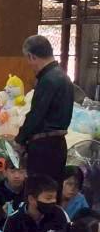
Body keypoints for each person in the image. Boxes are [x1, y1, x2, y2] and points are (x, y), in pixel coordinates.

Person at [16, 35, 73, 185]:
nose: (29, 65)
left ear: (31, 56)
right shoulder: (64, 77)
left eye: (28, 60)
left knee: (39, 190)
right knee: (52, 191)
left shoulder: (48, 79)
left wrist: (20, 139)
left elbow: (36, 115)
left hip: (44, 147)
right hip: (58, 146)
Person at [4, 175, 69, 232]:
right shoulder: (13, 221)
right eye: (48, 198)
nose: (53, 201)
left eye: (55, 198)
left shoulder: (59, 213)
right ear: (31, 199)